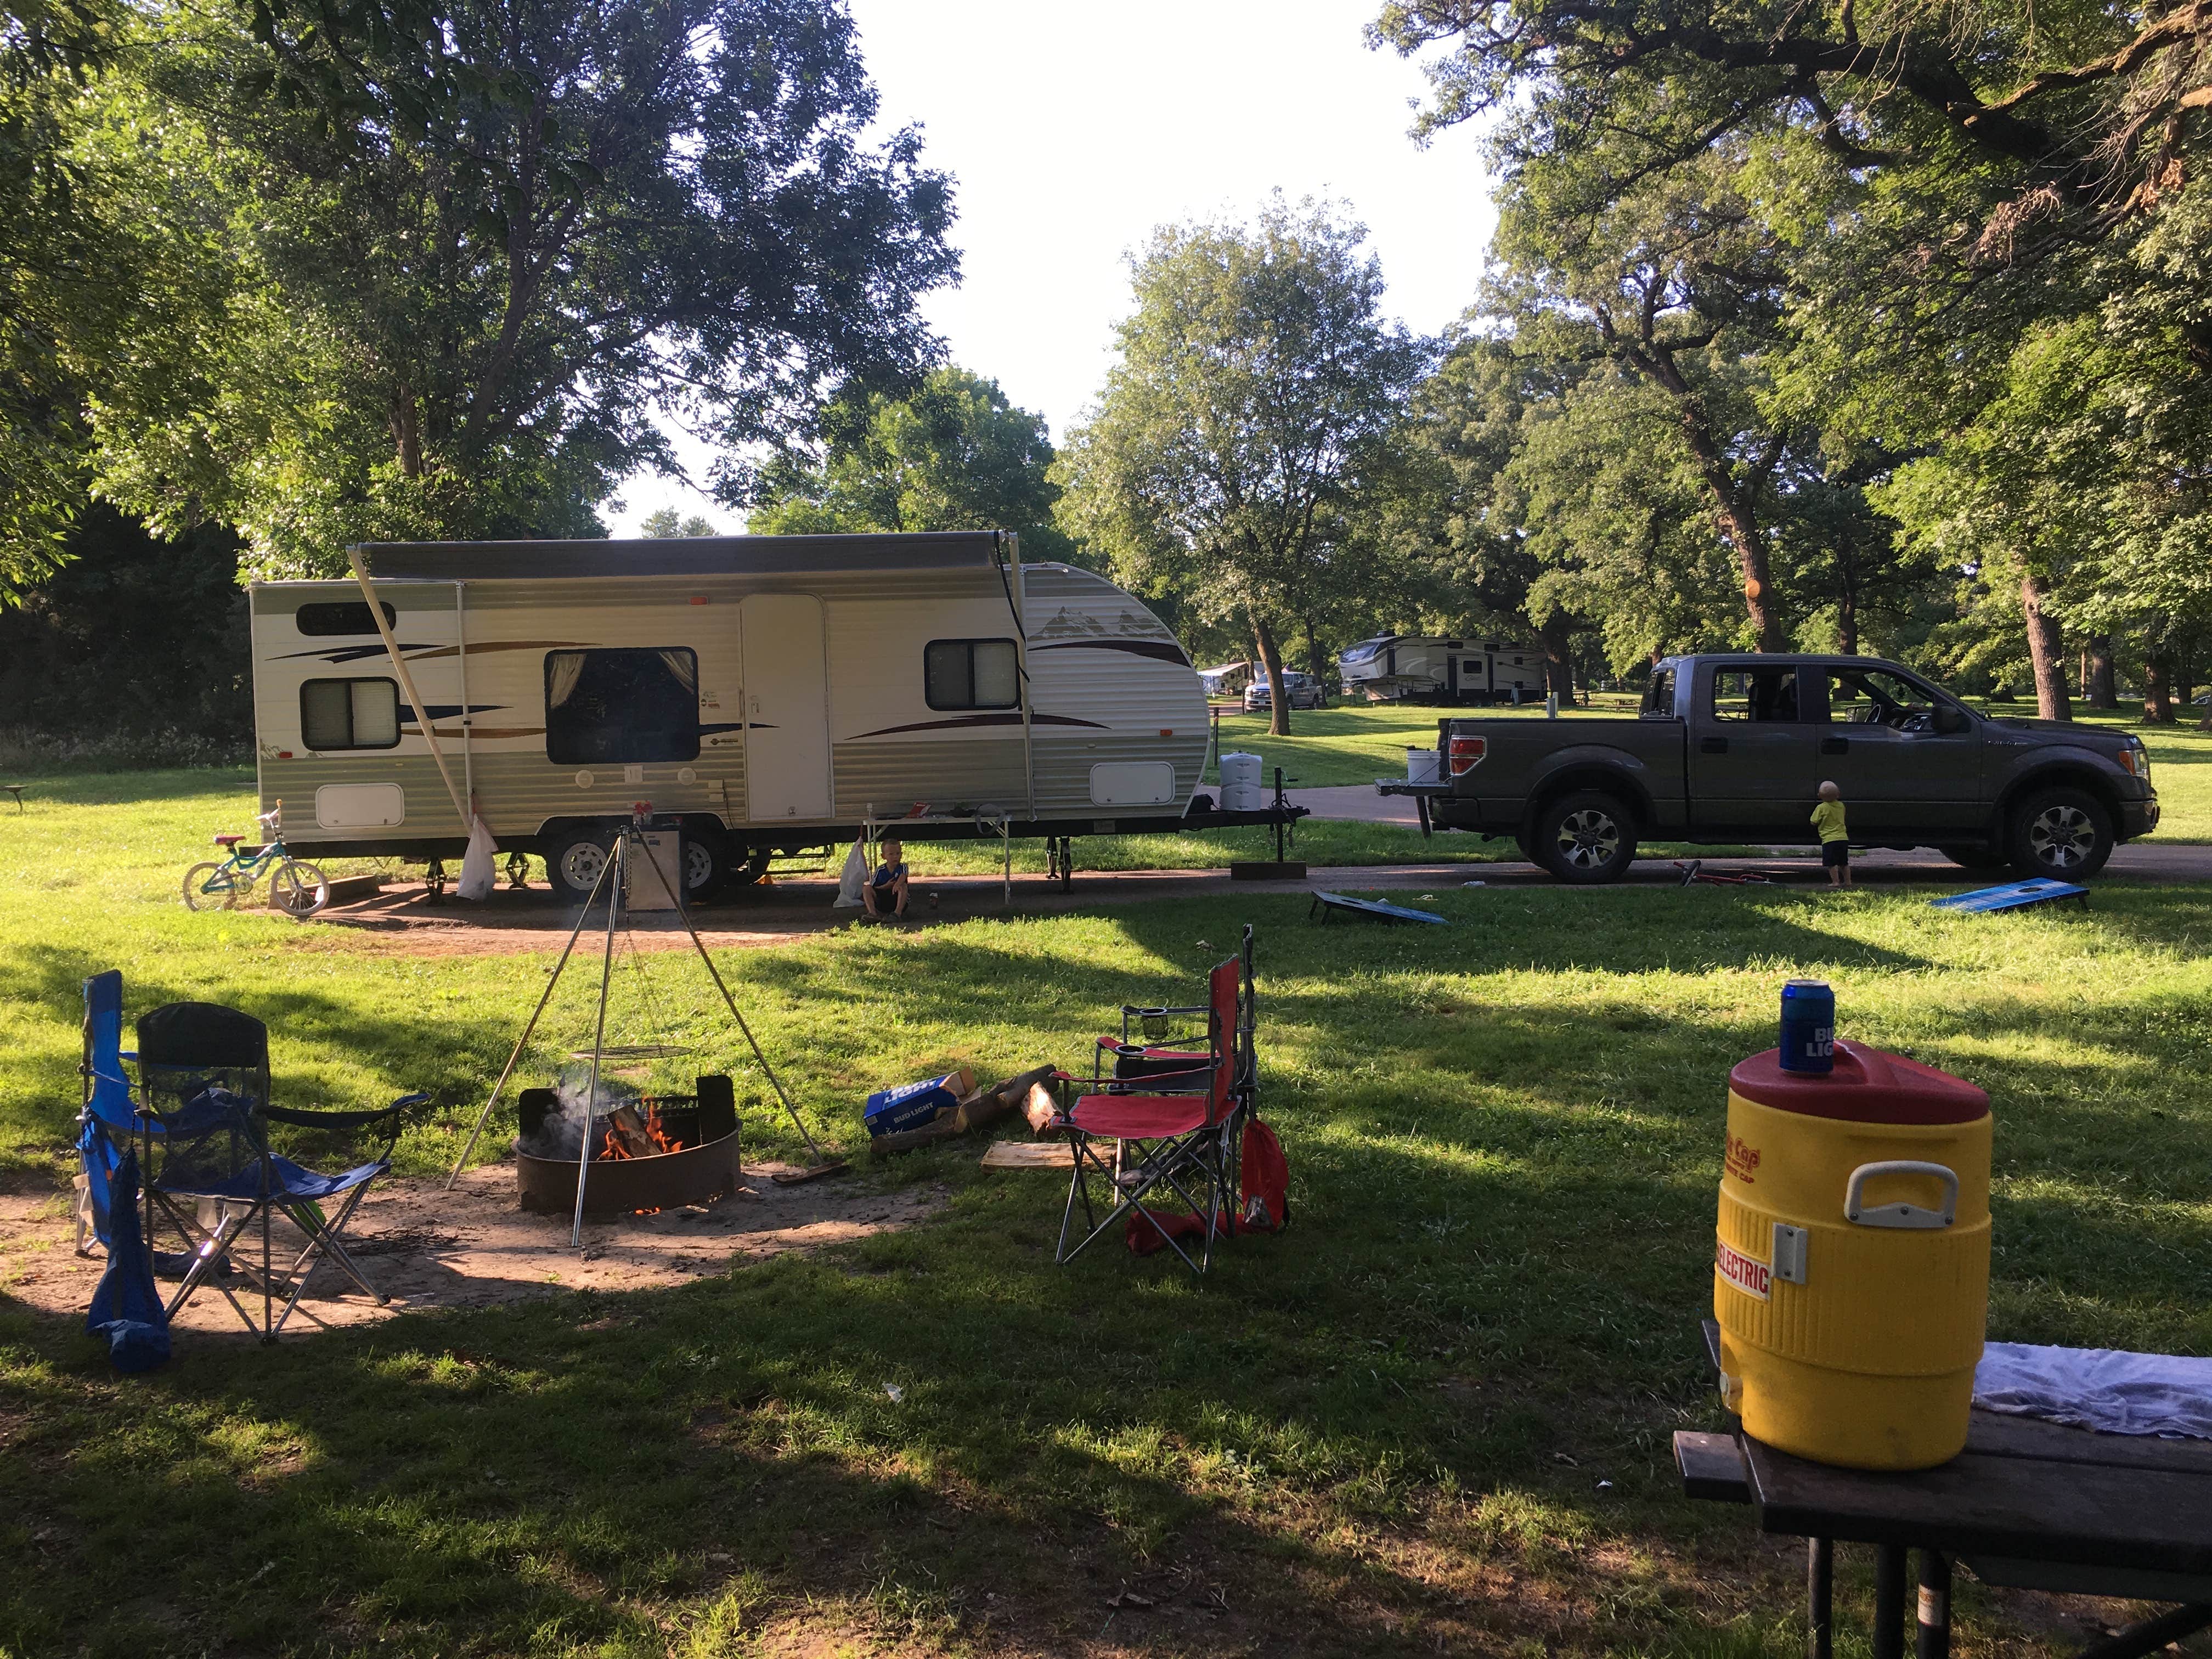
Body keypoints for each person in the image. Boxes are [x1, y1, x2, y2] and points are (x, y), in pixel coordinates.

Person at [1811, 780, 1852, 888]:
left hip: (1829, 840)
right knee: (1844, 863)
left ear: (1819, 796)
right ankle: (1848, 882)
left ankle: (1836, 882)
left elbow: (1814, 822)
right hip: (1843, 838)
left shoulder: (1821, 808)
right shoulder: (1841, 806)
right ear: (1838, 795)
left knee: (1831, 863)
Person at [862, 837, 910, 920]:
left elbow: (904, 875)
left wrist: (897, 884)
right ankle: (873, 914)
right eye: (891, 854)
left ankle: (897, 914)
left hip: (896, 898)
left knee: (903, 886)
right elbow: (873, 887)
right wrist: (886, 886)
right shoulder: (880, 870)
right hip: (882, 899)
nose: (895, 857)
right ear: (883, 856)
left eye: (898, 854)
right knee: (866, 888)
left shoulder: (903, 867)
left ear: (901, 855)